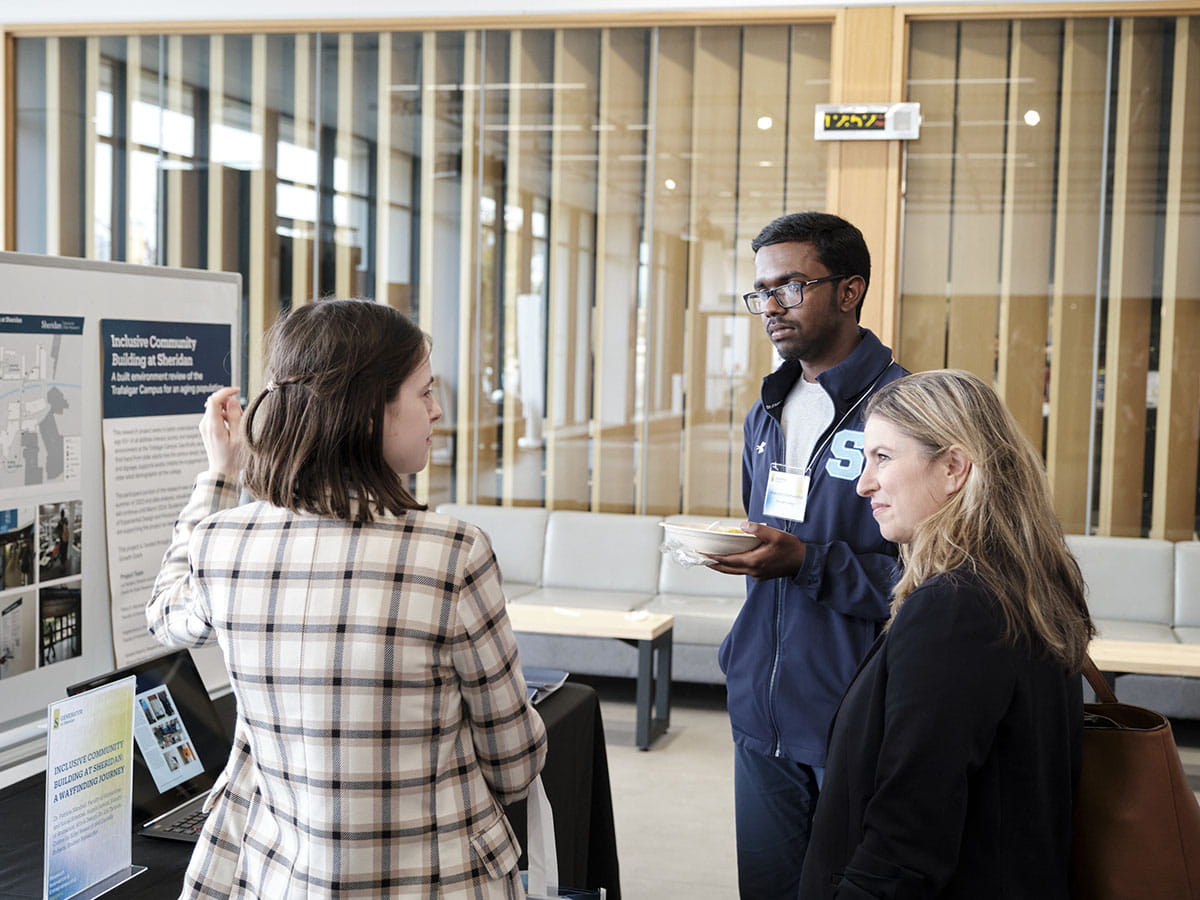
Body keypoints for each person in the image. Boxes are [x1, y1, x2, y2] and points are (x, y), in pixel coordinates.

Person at [147, 299, 547, 899]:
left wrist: (220, 476)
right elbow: (514, 763)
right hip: (437, 881)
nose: (438, 411)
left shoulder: (223, 542)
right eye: (424, 393)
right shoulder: (453, 553)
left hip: (282, 876)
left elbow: (165, 616)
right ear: (367, 412)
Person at [799, 369, 1094, 898]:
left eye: (882, 458)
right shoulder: (1021, 582)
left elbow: (907, 835)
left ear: (954, 466)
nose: (863, 483)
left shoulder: (956, 610)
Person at [706, 211, 907, 897]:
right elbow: (765, 528)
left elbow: (930, 582)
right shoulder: (766, 410)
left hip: (856, 717)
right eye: (760, 291)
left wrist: (806, 561)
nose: (770, 307)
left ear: (849, 291)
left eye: (790, 286)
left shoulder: (907, 411)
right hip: (761, 712)